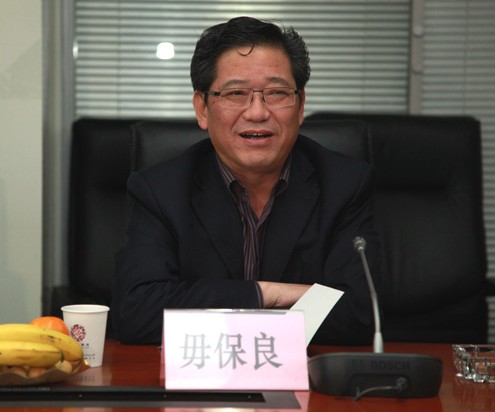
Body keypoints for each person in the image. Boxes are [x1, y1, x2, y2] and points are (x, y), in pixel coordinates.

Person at [111, 16, 380, 345]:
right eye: (236, 93)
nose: (257, 112)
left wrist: (210, 305)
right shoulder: (160, 191)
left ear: (300, 107)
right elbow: (137, 312)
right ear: (202, 109)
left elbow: (360, 313)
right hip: (199, 372)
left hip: (308, 373)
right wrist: (265, 294)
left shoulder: (344, 185)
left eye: (277, 93)